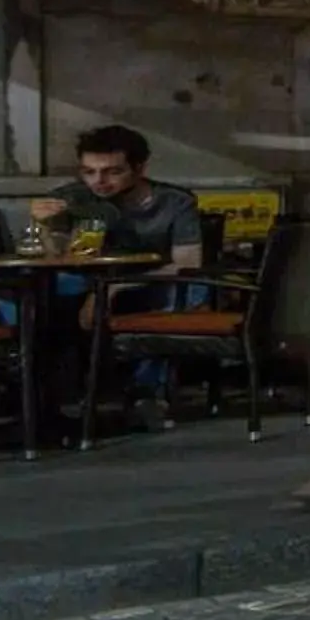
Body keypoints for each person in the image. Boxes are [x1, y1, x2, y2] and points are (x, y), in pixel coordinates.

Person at [22, 125, 207, 432]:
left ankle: (146, 393)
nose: (99, 181)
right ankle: (43, 397)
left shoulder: (174, 202)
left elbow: (188, 263)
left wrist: (111, 290)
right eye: (89, 172)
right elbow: (54, 258)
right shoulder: (71, 197)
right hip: (85, 279)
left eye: (112, 172)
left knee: (188, 292)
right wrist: (45, 227)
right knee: (32, 292)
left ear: (139, 168)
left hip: (147, 282)